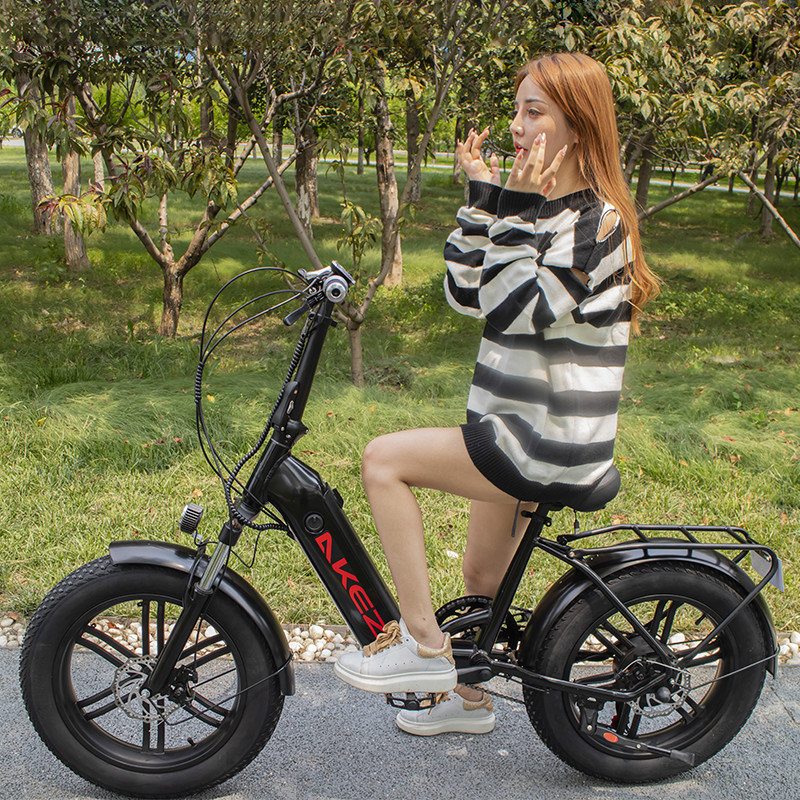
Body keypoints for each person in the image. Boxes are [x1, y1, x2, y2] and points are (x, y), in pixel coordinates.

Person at [334, 52, 659, 735]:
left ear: (579, 125)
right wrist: (486, 197)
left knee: (382, 460)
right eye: (516, 110)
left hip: (544, 441)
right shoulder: (539, 212)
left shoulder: (596, 223)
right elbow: (465, 294)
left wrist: (509, 210)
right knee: (482, 577)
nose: (516, 125)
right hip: (509, 426)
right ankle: (468, 699)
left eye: (534, 111)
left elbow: (514, 306)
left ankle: (422, 645)